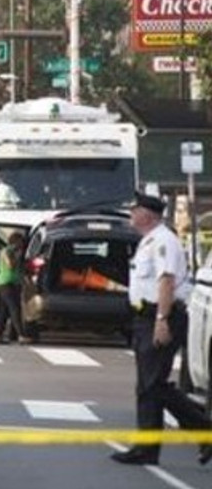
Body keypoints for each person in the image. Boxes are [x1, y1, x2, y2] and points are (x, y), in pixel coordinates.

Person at [110, 192, 212, 466]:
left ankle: (204, 428)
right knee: (147, 386)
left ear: (148, 214)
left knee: (153, 384)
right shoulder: (149, 241)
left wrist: (161, 320)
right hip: (145, 316)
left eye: (136, 209)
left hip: (161, 315)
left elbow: (166, 282)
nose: (131, 213)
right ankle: (147, 448)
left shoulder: (164, 241)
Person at [0, 231, 28, 345]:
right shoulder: (7, 251)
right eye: (21, 241)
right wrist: (18, 256)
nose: (22, 244)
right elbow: (10, 265)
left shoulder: (15, 251)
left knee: (4, 309)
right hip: (5, 282)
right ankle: (21, 335)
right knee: (14, 308)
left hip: (12, 282)